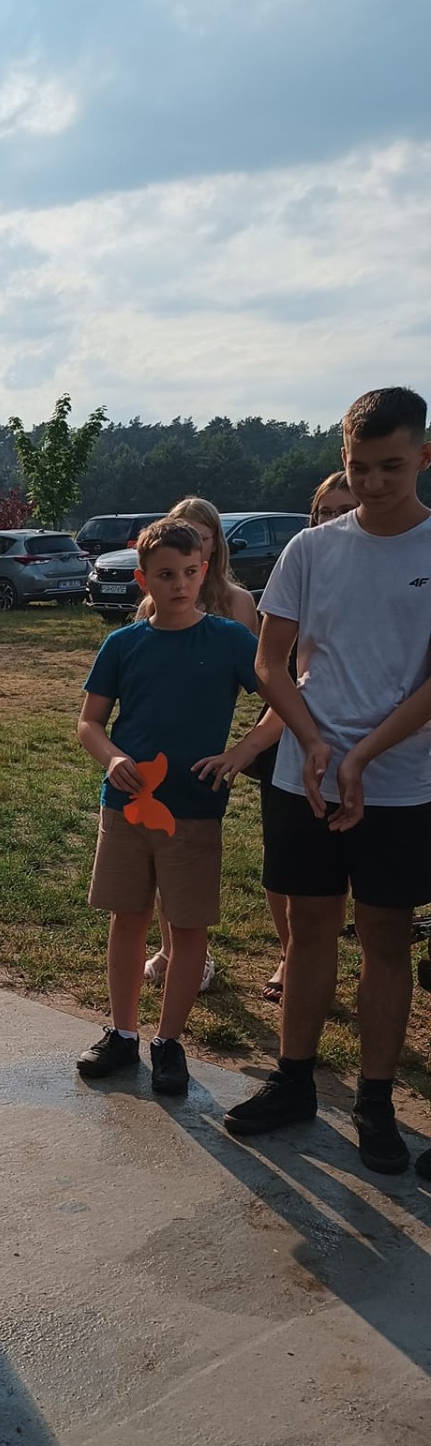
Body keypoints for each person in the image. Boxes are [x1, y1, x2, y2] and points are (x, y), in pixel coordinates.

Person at [226, 388, 431, 1177]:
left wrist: (362, 756)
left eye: (390, 467)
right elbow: (269, 663)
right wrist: (313, 744)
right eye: (359, 466)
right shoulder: (310, 550)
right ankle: (294, 1082)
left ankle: (374, 1102)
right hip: (302, 777)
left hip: (400, 782)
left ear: (423, 457)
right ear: (342, 457)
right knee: (307, 930)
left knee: (384, 938)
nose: (373, 483)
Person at [76, 518, 262, 1096]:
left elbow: (284, 700)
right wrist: (112, 758)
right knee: (127, 918)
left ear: (204, 571)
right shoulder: (123, 644)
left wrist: (242, 752)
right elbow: (89, 722)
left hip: (195, 809)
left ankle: (169, 1042)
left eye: (188, 572)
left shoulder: (231, 640)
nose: (178, 585)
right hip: (127, 808)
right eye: (164, 575)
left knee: (187, 927)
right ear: (143, 580)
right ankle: (123, 1034)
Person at [140, 496, 259, 991]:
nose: (188, 541)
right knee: (158, 855)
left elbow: (259, 680)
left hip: (201, 756)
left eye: (200, 536)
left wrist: (242, 749)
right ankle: (169, 948)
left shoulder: (236, 603)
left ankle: (195, 952)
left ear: (213, 546)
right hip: (154, 760)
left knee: (190, 862)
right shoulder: (155, 599)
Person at [257, 470, 359, 1002]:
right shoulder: (304, 556)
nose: (335, 521)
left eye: (347, 510)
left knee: (377, 913)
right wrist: (300, 738)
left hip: (386, 757)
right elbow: (272, 664)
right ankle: (290, 955)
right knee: (293, 881)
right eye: (326, 512)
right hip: (298, 733)